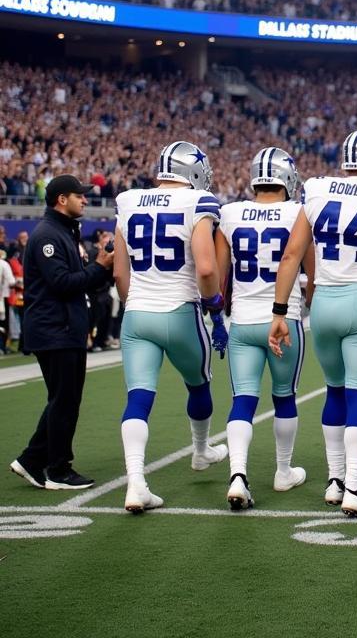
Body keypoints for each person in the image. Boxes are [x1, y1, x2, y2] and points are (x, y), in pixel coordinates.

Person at [273, 129, 357, 517]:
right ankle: (354, 488)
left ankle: (334, 480)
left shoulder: (316, 189)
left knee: (334, 391)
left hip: (323, 304)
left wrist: (280, 312)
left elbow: (291, 256)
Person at [113, 141, 228, 514]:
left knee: (138, 398)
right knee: (198, 384)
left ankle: (136, 483)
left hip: (137, 312)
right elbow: (207, 268)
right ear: (193, 172)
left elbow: (119, 272)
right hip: (180, 310)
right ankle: (200, 450)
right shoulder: (197, 202)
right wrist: (214, 309)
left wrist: (136, 304)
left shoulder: (128, 200)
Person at [216, 147, 313, 511]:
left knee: (243, 399)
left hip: (241, 320)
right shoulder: (297, 212)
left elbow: (220, 276)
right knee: (285, 395)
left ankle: (238, 475)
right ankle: (283, 471)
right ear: (288, 179)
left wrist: (216, 316)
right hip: (282, 318)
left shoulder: (229, 213)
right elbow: (311, 269)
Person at [10, 175, 114, 490]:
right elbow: (62, 284)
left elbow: (77, 281)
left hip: (62, 327)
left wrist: (101, 269)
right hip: (54, 328)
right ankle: (57, 468)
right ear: (61, 199)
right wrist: (98, 266)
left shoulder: (63, 232)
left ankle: (31, 459)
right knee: (64, 400)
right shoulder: (48, 236)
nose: (85, 200)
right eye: (78, 196)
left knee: (64, 399)